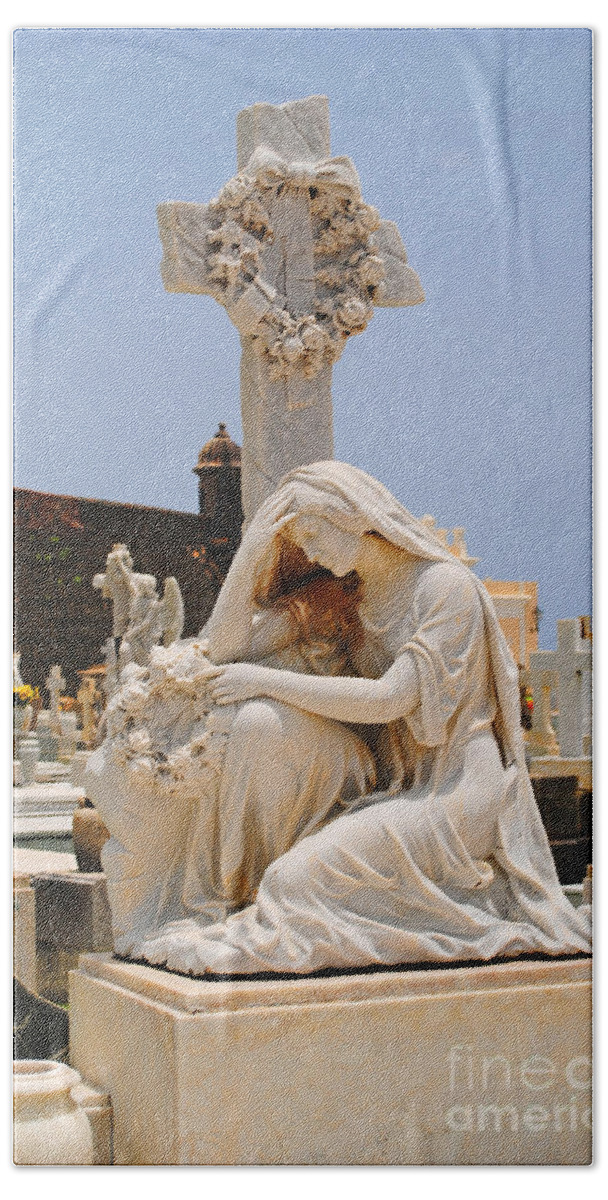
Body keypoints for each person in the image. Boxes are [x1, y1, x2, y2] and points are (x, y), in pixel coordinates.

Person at [86, 461, 590, 975]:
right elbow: (223, 649)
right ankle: (225, 903)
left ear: (352, 514)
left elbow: (391, 699)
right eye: (297, 540)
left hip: (455, 793)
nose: (307, 551)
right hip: (391, 784)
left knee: (292, 885)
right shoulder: (341, 594)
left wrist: (267, 681)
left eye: (311, 532)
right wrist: (252, 548)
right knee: (256, 725)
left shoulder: (443, 587)